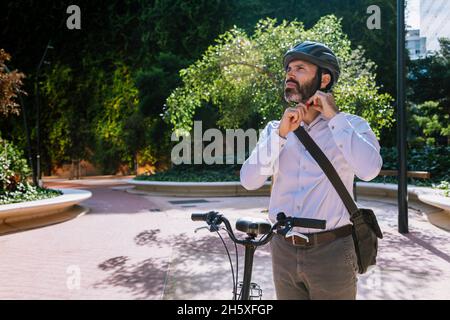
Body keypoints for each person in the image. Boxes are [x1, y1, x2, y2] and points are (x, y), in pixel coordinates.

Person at [240, 41, 382, 300]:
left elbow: (370, 170)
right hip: (283, 248)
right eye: (288, 69)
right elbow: (249, 180)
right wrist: (280, 135)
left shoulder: (351, 125)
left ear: (324, 78)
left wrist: (335, 117)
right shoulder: (276, 129)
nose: (289, 74)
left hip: (333, 251)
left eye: (300, 68)